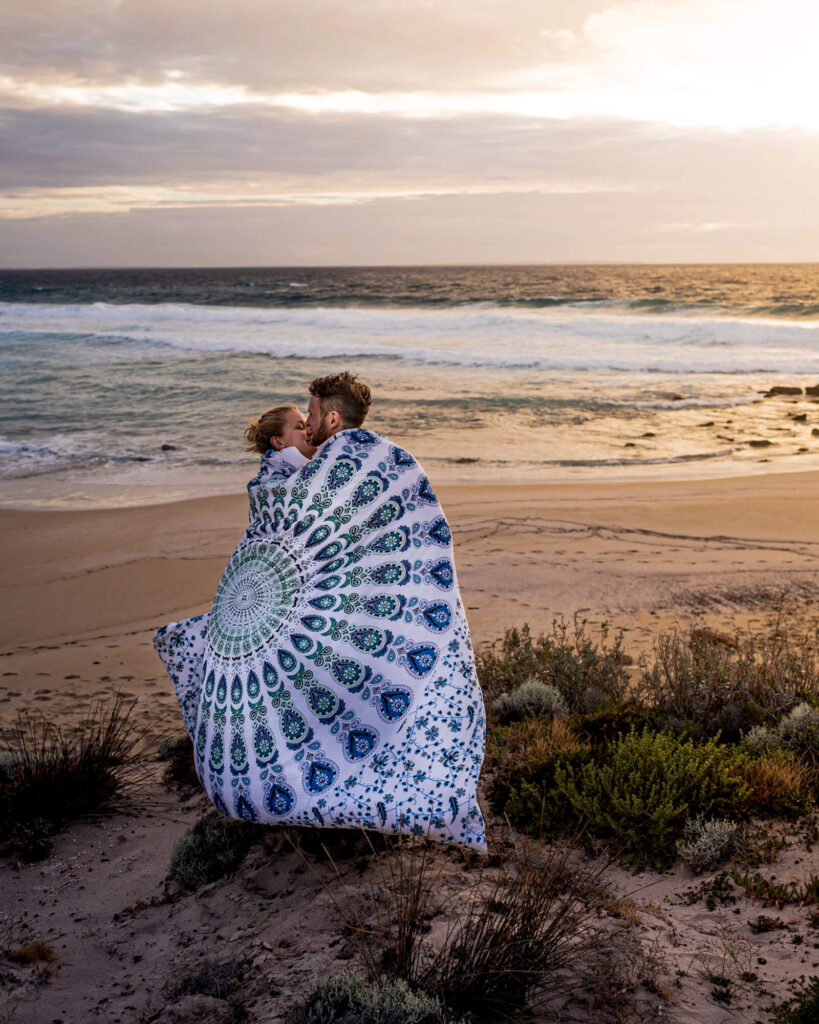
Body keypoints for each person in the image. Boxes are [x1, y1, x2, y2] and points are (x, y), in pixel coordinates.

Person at [154, 372, 486, 849]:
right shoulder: (333, 463)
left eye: (309, 416)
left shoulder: (348, 459)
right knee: (329, 701)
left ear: (331, 417)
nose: (307, 427)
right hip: (308, 610)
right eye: (300, 422)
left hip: (336, 610)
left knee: (335, 702)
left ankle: (338, 806)